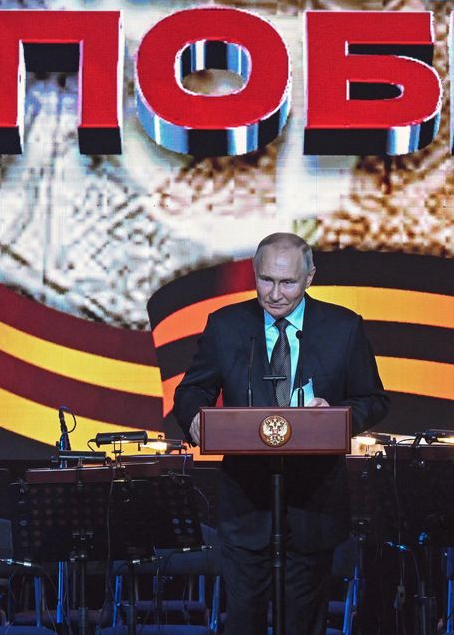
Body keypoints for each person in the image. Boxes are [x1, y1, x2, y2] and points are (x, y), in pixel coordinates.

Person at [172, 233, 390, 635]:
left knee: (303, 624)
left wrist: (337, 416)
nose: (274, 294)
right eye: (265, 280)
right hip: (245, 504)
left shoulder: (342, 327)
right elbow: (191, 391)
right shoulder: (227, 326)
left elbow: (373, 399)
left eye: (287, 283)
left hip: (314, 504)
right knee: (243, 623)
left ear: (310, 277)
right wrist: (195, 420)